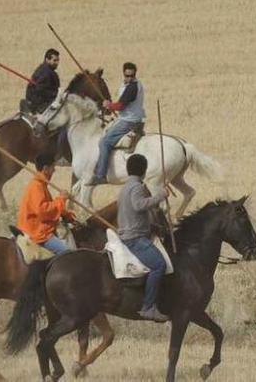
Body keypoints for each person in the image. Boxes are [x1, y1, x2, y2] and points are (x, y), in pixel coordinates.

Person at [119, 154, 169, 322]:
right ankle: (148, 307)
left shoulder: (126, 187)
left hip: (131, 233)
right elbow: (139, 205)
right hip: (135, 239)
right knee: (159, 265)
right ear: (144, 170)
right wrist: (160, 196)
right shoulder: (137, 187)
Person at [89, 62, 146, 186]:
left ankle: (101, 175)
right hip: (130, 118)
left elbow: (121, 105)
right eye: (127, 75)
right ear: (123, 73)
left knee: (104, 142)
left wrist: (109, 105)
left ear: (135, 75)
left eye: (132, 76)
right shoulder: (130, 85)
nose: (129, 78)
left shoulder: (132, 87)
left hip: (128, 121)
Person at [16, 152, 77, 255]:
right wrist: (61, 199)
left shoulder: (41, 184)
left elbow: (51, 206)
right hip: (36, 232)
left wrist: (67, 216)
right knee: (67, 253)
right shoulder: (36, 186)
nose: (54, 170)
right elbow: (42, 211)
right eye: (52, 167)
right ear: (45, 169)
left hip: (40, 228)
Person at [24, 48, 61, 113]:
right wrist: (57, 95)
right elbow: (40, 90)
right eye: (54, 60)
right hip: (40, 105)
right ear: (47, 59)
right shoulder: (46, 73)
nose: (57, 63)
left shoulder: (44, 69)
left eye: (58, 60)